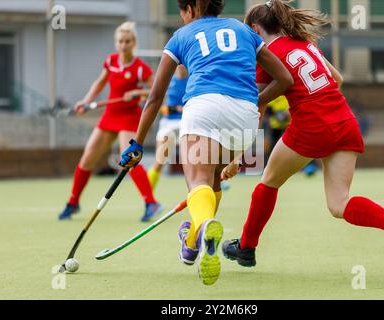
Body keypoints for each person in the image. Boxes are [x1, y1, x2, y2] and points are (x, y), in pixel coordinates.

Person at [222, 0, 384, 267]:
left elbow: (257, 105)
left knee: (269, 181)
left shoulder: (265, 55)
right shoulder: (305, 44)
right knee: (338, 203)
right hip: (345, 121)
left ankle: (246, 248)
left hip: (312, 126)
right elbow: (337, 79)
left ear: (256, 29)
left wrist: (237, 156)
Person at [118, 0, 293, 285]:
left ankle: (203, 229)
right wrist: (252, 101)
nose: (182, 16)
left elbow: (154, 97)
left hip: (204, 109)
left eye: (181, 11)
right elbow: (284, 78)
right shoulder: (242, 29)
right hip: (245, 119)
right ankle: (190, 243)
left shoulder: (181, 36)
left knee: (198, 181)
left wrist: (137, 142)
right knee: (212, 181)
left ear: (191, 8)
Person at [58, 22, 163, 222]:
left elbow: (156, 91)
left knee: (129, 160)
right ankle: (73, 202)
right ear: (116, 43)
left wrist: (138, 92)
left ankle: (151, 203)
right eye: (120, 41)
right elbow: (99, 83)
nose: (124, 45)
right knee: (88, 158)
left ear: (134, 43)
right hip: (110, 115)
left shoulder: (141, 69)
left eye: (128, 41)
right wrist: (86, 101)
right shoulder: (111, 61)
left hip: (129, 118)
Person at [147, 65, 189, 190]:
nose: (180, 65)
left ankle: (210, 182)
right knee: (160, 161)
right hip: (168, 124)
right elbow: (161, 108)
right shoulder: (167, 80)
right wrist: (175, 108)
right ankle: (147, 194)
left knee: (194, 161)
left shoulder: (194, 79)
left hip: (187, 122)